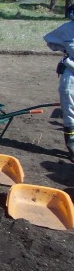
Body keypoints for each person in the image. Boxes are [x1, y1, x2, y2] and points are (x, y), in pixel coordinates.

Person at [43, 17, 74, 162]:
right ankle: (72, 146)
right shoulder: (67, 29)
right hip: (72, 75)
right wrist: (66, 52)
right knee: (70, 111)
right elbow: (50, 40)